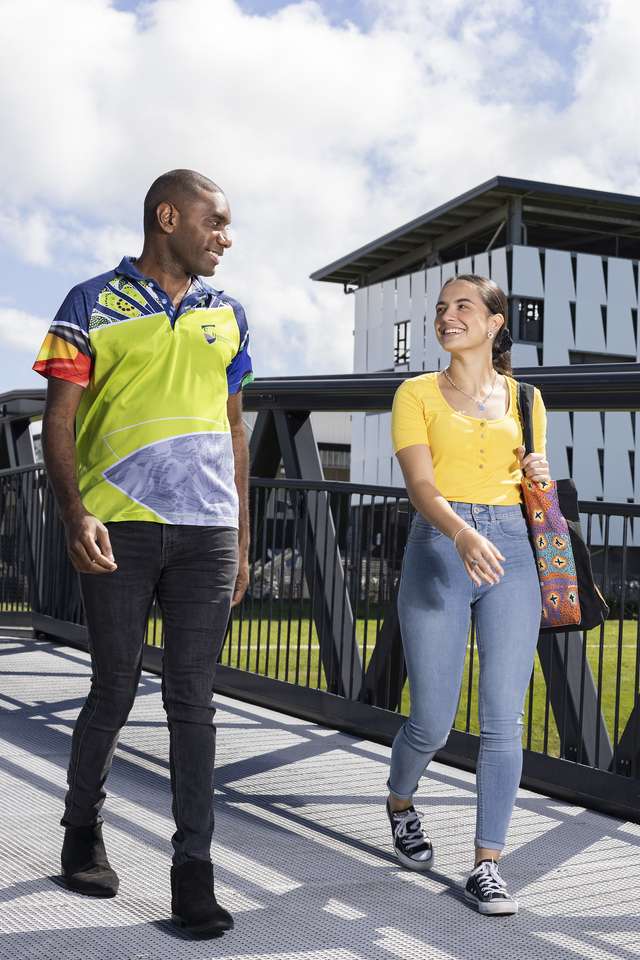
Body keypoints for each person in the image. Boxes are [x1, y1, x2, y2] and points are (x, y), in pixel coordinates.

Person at [33, 169, 254, 937]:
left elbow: (234, 428)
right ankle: (80, 829)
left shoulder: (229, 315)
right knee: (115, 689)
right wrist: (73, 512)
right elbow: (57, 420)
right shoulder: (87, 303)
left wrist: (244, 535)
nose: (226, 237)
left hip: (207, 537)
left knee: (193, 701)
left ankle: (193, 871)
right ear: (169, 216)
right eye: (215, 222)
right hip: (117, 527)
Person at [386, 274, 549, 916]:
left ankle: (487, 863)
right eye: (441, 308)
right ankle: (400, 799)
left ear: (493, 323)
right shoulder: (416, 393)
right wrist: (459, 534)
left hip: (511, 551)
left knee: (503, 720)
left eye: (463, 307)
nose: (448, 316)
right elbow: (421, 486)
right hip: (439, 546)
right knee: (431, 718)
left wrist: (540, 473)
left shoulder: (528, 397)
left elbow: (534, 477)